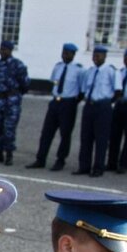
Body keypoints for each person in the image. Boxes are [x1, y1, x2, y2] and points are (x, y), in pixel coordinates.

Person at [25, 42, 84, 171]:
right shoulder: (57, 67)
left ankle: (60, 160)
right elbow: (54, 83)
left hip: (68, 103)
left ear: (73, 55)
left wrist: (72, 102)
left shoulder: (79, 70)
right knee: (47, 132)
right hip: (55, 102)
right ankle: (40, 159)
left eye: (68, 53)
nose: (65, 55)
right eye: (64, 53)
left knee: (65, 133)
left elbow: (81, 90)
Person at [74, 46, 121, 177]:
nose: (96, 58)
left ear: (105, 56)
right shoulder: (90, 71)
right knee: (86, 137)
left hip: (103, 106)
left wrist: (107, 103)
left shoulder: (111, 71)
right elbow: (84, 90)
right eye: (94, 55)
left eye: (98, 55)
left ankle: (98, 167)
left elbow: (118, 91)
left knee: (101, 138)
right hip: (90, 105)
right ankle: (84, 166)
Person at [0, 40, 29, 166]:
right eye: (1, 49)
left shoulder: (18, 65)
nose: (2, 51)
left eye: (5, 49)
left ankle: (9, 154)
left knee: (9, 128)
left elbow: (25, 84)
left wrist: (15, 94)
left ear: (11, 50)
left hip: (12, 100)